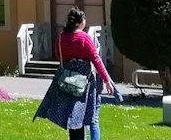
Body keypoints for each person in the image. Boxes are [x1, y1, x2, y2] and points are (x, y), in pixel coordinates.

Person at [34, 8, 117, 140]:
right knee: (87, 116)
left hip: (66, 80)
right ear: (81, 22)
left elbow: (57, 54)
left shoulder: (61, 37)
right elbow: (96, 59)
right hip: (84, 83)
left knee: (73, 117)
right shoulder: (84, 38)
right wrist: (107, 80)